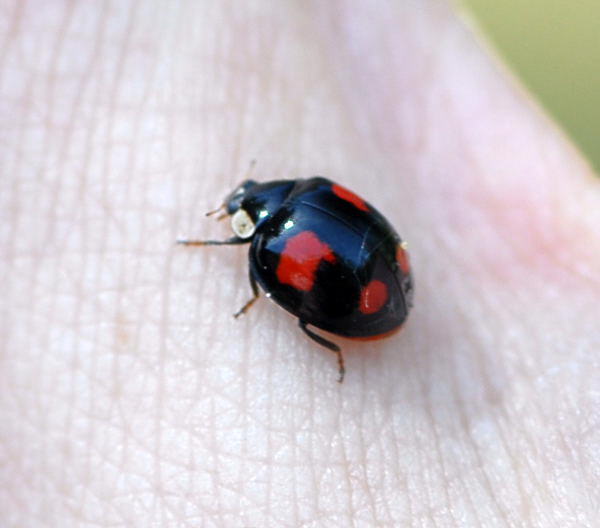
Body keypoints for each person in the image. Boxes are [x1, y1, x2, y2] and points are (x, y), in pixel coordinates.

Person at [1, 1, 598, 525]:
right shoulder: (310, 192)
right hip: (386, 276)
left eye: (238, 206)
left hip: (380, 291)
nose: (238, 206)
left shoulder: (266, 251)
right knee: (304, 307)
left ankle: (336, 348)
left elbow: (272, 285)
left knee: (308, 317)